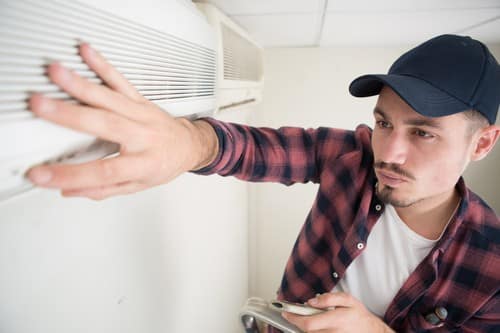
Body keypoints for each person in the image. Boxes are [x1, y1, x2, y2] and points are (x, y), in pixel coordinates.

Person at [27, 34, 499, 332]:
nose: (389, 153)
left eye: (423, 133)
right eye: (384, 123)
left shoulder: (491, 269)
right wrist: (188, 142)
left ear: (481, 144)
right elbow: (257, 148)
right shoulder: (353, 158)